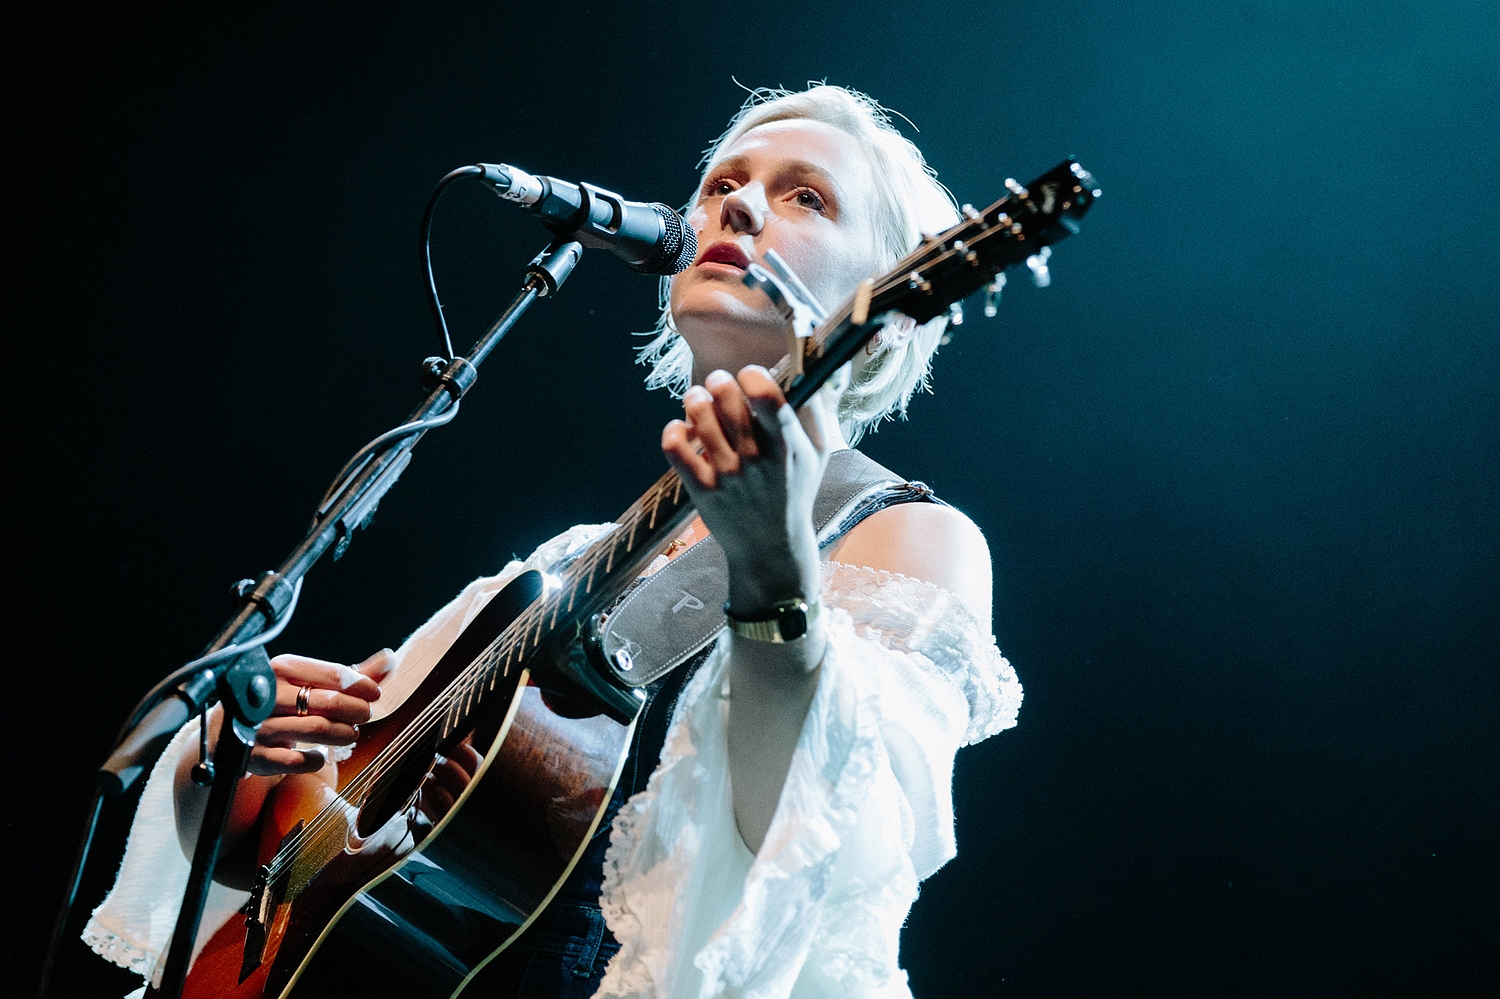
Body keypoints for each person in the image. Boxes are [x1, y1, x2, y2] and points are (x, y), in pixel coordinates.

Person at [85, 84, 1023, 998]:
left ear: (889, 292)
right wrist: (248, 759)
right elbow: (305, 845)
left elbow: (824, 847)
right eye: (723, 182)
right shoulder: (570, 558)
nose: (738, 201)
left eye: (805, 196)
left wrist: (774, 566)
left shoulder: (910, 540)